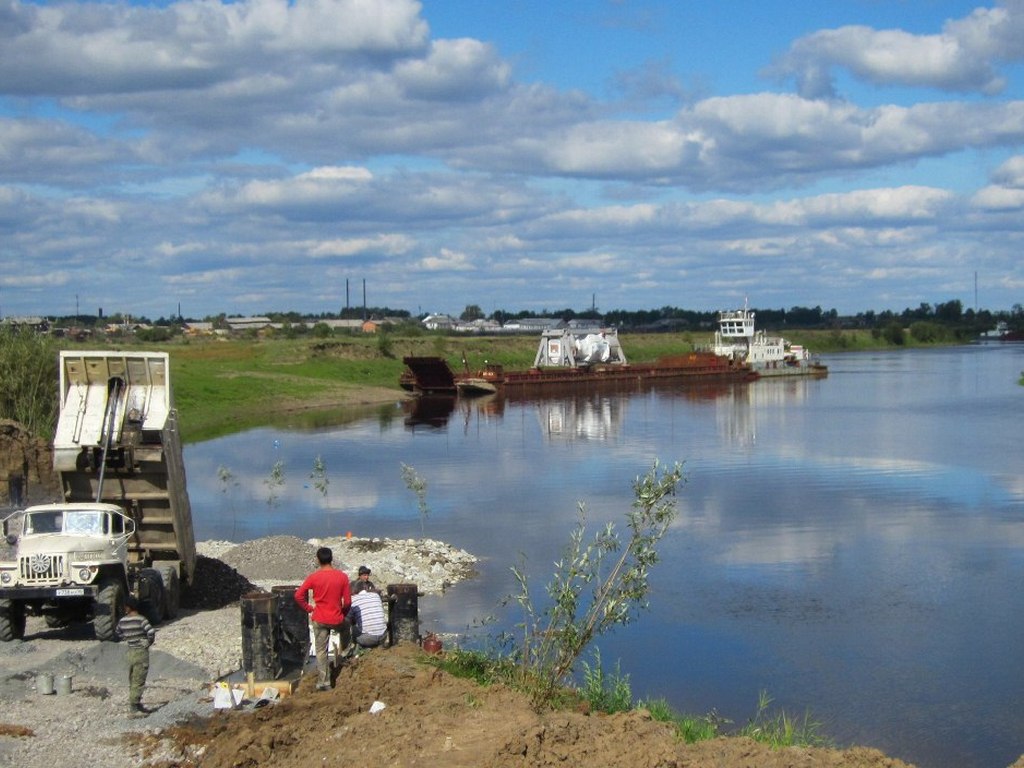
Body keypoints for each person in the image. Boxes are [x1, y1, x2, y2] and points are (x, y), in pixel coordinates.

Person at [294, 546, 351, 690]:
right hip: (336, 618)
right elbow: (348, 602)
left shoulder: (314, 577)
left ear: (318, 560)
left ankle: (324, 682)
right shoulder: (342, 577)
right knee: (346, 627)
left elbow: (298, 595)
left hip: (319, 619)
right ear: (331, 559)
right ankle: (345, 653)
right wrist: (342, 613)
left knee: (321, 651)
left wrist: (309, 609)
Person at [115, 596, 156, 718]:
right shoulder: (141, 620)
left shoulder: (122, 621)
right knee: (139, 680)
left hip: (130, 652)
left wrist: (129, 639)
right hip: (141, 653)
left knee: (132, 679)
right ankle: (134, 708)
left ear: (128, 607)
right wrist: (147, 642)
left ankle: (137, 704)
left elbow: (118, 633)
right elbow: (151, 632)